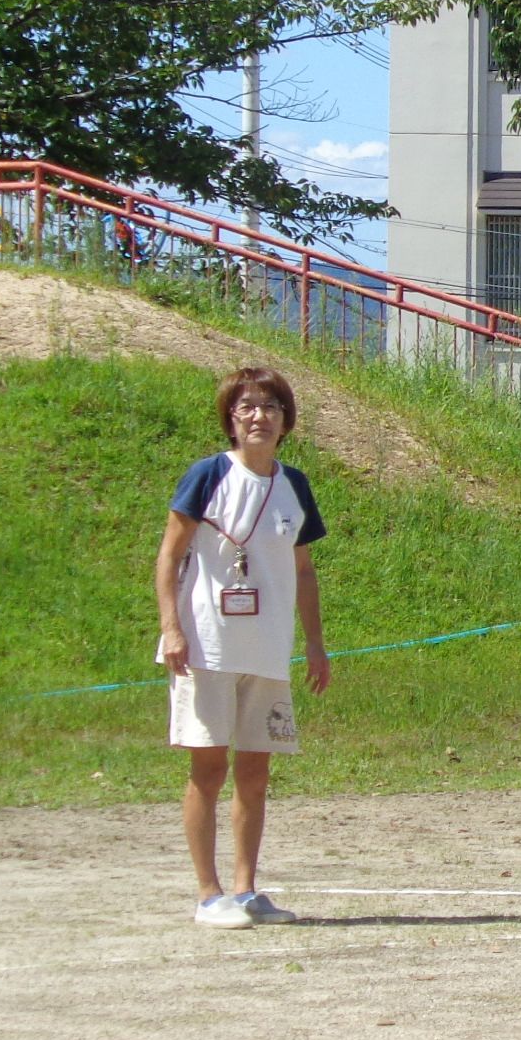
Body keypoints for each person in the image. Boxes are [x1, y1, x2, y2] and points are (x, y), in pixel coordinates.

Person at [153, 366, 330, 927]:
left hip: (268, 647)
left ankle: (247, 889)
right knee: (207, 769)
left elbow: (303, 571)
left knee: (255, 770)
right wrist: (172, 628)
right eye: (247, 408)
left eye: (271, 407)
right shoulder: (208, 475)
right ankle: (209, 896)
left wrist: (316, 645)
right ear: (231, 419)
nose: (259, 417)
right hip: (206, 645)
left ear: (286, 420)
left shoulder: (293, 485)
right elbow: (169, 555)